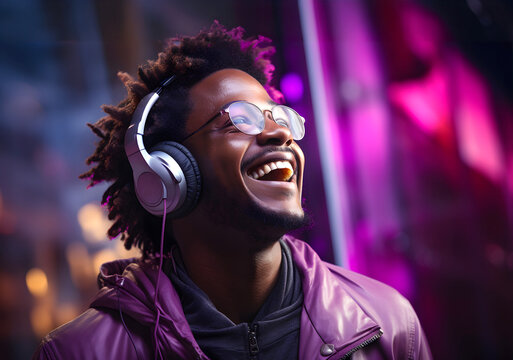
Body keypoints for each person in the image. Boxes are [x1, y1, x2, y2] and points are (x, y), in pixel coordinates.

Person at [33, 22, 432, 359]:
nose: (278, 133)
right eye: (240, 120)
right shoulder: (79, 351)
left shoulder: (389, 324)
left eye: (282, 118)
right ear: (167, 176)